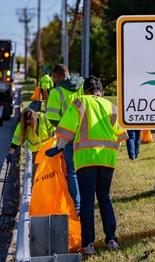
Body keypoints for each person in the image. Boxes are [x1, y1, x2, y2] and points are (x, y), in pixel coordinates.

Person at [46, 76, 128, 255]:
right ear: (102, 92)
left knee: (87, 201)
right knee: (105, 198)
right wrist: (111, 154)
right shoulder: (111, 106)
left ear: (85, 91)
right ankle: (112, 239)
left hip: (86, 159)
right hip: (107, 159)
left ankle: (88, 244)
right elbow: (120, 138)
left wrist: (58, 148)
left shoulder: (80, 102)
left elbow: (68, 131)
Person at [45, 64, 84, 214]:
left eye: (54, 77)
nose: (54, 80)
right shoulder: (81, 85)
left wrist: (62, 129)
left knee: (72, 170)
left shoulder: (57, 92)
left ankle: (76, 205)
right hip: (85, 133)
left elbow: (52, 118)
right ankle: (85, 201)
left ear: (58, 76)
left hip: (68, 136)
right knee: (84, 168)